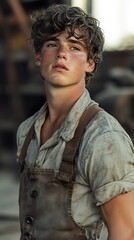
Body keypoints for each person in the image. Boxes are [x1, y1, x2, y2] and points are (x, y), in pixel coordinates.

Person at [16, 3, 134, 240]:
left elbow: (126, 231)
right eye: (52, 44)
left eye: (74, 47)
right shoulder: (26, 131)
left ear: (90, 64)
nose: (61, 53)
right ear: (39, 57)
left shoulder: (104, 138)